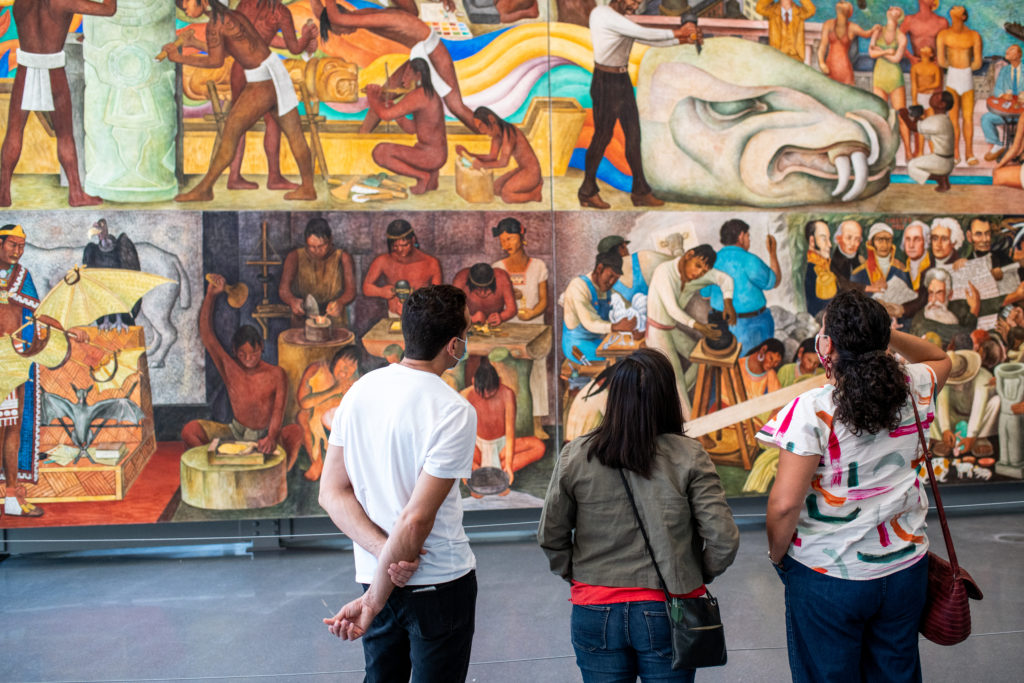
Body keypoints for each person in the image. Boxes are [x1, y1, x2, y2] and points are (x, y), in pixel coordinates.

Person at [760, 288, 952, 682]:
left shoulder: (813, 409)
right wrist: (878, 332)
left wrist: (778, 556)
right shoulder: (915, 386)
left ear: (827, 345)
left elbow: (784, 505)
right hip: (905, 568)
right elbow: (939, 357)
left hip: (827, 574)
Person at [539, 348, 739, 683]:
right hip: (669, 607)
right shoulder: (690, 455)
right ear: (668, 396)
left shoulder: (576, 454)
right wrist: (693, 573)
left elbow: (550, 534)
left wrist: (576, 575)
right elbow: (724, 538)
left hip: (594, 605)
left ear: (614, 396)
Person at [320, 285, 479, 682]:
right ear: (454, 346)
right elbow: (414, 520)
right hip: (436, 581)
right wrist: (375, 596)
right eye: (468, 333)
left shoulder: (359, 392)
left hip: (373, 575)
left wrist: (380, 562)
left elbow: (332, 493)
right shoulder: (454, 410)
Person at [163, 0, 316, 201]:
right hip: (275, 73)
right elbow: (230, 50)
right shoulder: (232, 16)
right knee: (294, 133)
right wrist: (195, 43)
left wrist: (180, 59)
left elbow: (216, 61)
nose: (185, 9)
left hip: (262, 80)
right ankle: (308, 188)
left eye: (187, 4)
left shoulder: (218, 23)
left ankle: (205, 189)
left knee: (231, 131)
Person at [577, 0, 700, 209]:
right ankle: (587, 190)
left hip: (621, 80)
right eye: (633, 0)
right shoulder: (602, 14)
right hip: (606, 81)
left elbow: (645, 38)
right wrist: (679, 32)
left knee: (634, 135)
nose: (635, 5)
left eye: (639, 2)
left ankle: (640, 191)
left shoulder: (621, 20)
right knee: (602, 136)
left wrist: (683, 40)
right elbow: (642, 32)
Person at [0, 0, 116, 208]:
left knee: (14, 131)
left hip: (25, 67)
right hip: (53, 68)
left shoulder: (21, 2)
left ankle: (3, 193)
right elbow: (109, 9)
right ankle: (76, 193)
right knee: (65, 135)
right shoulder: (63, 1)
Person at [180, 273, 303, 467]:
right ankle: (217, 471)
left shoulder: (276, 374)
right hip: (235, 434)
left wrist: (271, 437)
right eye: (243, 354)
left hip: (266, 435)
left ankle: (281, 474)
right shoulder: (231, 368)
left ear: (261, 347)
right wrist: (211, 295)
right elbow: (207, 335)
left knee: (295, 432)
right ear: (235, 352)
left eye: (254, 353)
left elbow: (278, 410)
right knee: (190, 430)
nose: (249, 358)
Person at [314, 0, 477, 132]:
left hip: (432, 51)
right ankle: (363, 135)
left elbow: (336, 18)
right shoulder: (363, 15)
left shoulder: (365, 17)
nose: (340, 34)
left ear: (344, 16)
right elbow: (327, 15)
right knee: (384, 94)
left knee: (456, 107)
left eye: (337, 30)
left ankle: (486, 134)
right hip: (420, 51)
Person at [226, 0, 318, 191]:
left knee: (238, 123)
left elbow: (256, 37)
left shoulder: (245, 4)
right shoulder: (280, 12)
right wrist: (307, 36)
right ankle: (274, 177)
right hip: (260, 71)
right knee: (273, 120)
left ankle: (234, 177)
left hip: (239, 68)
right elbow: (294, 48)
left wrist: (303, 40)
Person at [646, 244, 734, 418]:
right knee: (676, 378)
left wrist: (728, 302)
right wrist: (700, 327)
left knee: (704, 359)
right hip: (656, 332)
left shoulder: (697, 274)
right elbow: (672, 309)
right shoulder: (664, 272)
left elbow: (725, 279)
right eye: (698, 266)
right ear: (689, 255)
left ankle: (667, 400)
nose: (699, 273)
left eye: (704, 271)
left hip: (671, 329)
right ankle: (692, 426)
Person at [491, 218, 550, 437]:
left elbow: (543, 300)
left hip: (534, 328)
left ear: (521, 236)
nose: (506, 244)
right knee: (508, 375)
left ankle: (536, 424)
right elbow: (495, 302)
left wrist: (532, 313)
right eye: (502, 240)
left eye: (510, 238)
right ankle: (509, 426)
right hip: (508, 328)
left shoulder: (538, 266)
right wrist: (509, 296)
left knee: (536, 375)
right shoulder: (497, 268)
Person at [0, 224, 43, 518]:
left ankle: (12, 497)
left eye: (21, 246)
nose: (18, 251)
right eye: (12, 245)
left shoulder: (22, 277)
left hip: (14, 361)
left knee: (13, 427)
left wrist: (69, 331)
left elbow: (39, 315)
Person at [365, 58, 447, 195]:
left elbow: (385, 115)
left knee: (380, 152)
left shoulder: (419, 95)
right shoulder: (429, 93)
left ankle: (422, 176)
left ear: (418, 75)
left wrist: (373, 98)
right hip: (436, 154)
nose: (403, 79)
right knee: (414, 148)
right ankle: (431, 177)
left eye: (408, 75)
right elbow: (412, 129)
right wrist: (398, 115)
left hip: (430, 155)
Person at [460, 357, 545, 491]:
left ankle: (500, 469)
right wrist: (465, 465)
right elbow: (461, 436)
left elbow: (510, 434)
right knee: (456, 449)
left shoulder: (507, 394)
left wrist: (509, 465)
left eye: (490, 393)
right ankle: (479, 469)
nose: (486, 396)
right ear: (473, 381)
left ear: (499, 382)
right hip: (477, 447)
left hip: (502, 446)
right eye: (481, 393)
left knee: (539, 446)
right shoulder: (464, 395)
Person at [701, 219, 780, 354]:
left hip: (722, 328)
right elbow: (774, 282)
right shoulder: (750, 260)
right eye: (748, 236)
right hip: (752, 326)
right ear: (741, 236)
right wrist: (772, 253)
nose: (749, 240)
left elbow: (705, 295)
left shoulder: (712, 261)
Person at [295, 346, 360, 481]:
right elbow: (304, 403)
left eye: (351, 367)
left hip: (337, 421)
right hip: (316, 418)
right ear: (336, 359)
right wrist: (334, 390)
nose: (345, 370)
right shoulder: (316, 370)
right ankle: (316, 461)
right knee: (302, 415)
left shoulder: (355, 380)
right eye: (343, 363)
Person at [561, 250, 637, 366]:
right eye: (610, 276)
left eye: (616, 278)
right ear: (599, 269)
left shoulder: (608, 292)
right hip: (577, 344)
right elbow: (589, 322)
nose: (612, 282)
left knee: (629, 357)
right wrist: (615, 326)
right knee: (616, 363)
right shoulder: (578, 286)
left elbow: (628, 308)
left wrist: (634, 320)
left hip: (597, 342)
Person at [279, 217, 356, 328]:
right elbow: (283, 289)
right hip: (303, 318)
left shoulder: (343, 257)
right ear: (306, 243)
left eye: (321, 246)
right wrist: (292, 301)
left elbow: (351, 291)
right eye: (312, 246)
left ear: (330, 240)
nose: (317, 251)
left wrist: (341, 302)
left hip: (334, 318)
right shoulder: (294, 257)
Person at [455, 107, 542, 203]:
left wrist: (482, 165)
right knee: (495, 189)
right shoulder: (496, 136)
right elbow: (491, 157)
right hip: (522, 169)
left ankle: (535, 195)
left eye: (481, 126)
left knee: (507, 195)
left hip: (532, 172)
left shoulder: (509, 133)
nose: (481, 131)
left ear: (491, 119)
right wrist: (468, 153)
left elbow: (503, 162)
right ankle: (531, 188)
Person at [362, 219, 443, 318]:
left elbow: (437, 296)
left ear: (413, 240)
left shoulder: (431, 263)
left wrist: (418, 306)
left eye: (404, 245)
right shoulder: (382, 260)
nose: (400, 249)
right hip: (394, 316)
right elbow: (366, 287)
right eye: (395, 246)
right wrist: (381, 292)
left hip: (422, 317)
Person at [935, 6, 983, 165]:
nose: (954, 7)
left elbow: (977, 62)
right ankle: (955, 152)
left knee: (968, 117)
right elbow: (941, 61)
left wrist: (964, 69)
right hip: (952, 77)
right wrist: (955, 68)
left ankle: (969, 153)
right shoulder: (943, 35)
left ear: (963, 16)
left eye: (958, 8)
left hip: (966, 76)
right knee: (953, 118)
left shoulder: (974, 35)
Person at [931, 349, 999, 457]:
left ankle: (980, 438)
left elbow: (979, 406)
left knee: (996, 402)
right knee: (929, 405)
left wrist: (971, 435)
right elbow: (943, 404)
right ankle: (943, 439)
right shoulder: (944, 377)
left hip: (981, 419)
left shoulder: (983, 376)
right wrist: (945, 429)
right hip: (955, 416)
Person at [869, 7, 911, 155]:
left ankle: (908, 151)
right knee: (880, 115)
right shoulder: (878, 31)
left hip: (894, 77)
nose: (891, 9)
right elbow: (871, 53)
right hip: (879, 77)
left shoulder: (901, 37)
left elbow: (897, 58)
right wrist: (887, 51)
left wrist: (880, 52)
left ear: (899, 16)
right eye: (891, 8)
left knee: (902, 115)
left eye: (895, 9)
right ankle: (881, 151)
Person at [908, 267, 979, 348]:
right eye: (931, 293)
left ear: (950, 294)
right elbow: (961, 338)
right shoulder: (920, 320)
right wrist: (974, 310)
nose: (933, 300)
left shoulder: (952, 310)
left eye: (939, 293)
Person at [900, 91, 955, 192]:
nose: (933, 96)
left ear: (942, 104)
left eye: (937, 96)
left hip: (941, 161)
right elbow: (925, 130)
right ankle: (944, 179)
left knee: (912, 166)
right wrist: (917, 117)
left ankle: (940, 179)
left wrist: (904, 115)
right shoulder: (943, 119)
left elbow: (913, 127)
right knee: (920, 161)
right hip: (948, 161)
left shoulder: (936, 121)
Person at [818, 2, 877, 86]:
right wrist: (821, 63)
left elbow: (867, 34)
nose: (842, 1)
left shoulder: (852, 27)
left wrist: (874, 29)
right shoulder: (828, 25)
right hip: (830, 68)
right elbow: (822, 47)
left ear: (849, 13)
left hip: (845, 70)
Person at [981, 45, 1023, 162]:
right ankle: (997, 145)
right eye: (1008, 49)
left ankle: (1020, 152)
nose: (1007, 51)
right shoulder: (1004, 71)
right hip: (1007, 112)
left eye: (1011, 50)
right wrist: (1003, 95)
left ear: (1019, 55)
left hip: (1022, 114)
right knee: (986, 118)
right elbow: (997, 89)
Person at [452, 263, 517, 326]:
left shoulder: (501, 277)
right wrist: (471, 318)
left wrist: (501, 317)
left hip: (495, 326)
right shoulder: (461, 278)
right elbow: (451, 310)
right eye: (478, 288)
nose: (483, 293)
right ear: (470, 283)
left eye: (487, 288)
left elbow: (512, 309)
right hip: (467, 326)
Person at [908, 46, 942, 157]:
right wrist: (914, 101)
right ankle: (920, 152)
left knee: (931, 126)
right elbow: (914, 85)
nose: (924, 50)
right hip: (920, 97)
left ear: (931, 54)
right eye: (923, 49)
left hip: (930, 98)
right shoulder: (915, 67)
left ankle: (933, 151)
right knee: (921, 126)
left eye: (927, 50)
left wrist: (925, 87)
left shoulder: (934, 68)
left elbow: (937, 83)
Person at [804, 219, 837, 316]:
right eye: (824, 239)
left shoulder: (827, 265)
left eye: (829, 239)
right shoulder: (814, 270)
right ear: (812, 241)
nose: (829, 244)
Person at [830, 219, 867, 292]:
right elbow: (843, 284)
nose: (852, 243)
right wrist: (867, 288)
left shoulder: (860, 259)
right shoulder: (834, 263)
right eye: (848, 238)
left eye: (857, 239)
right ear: (838, 238)